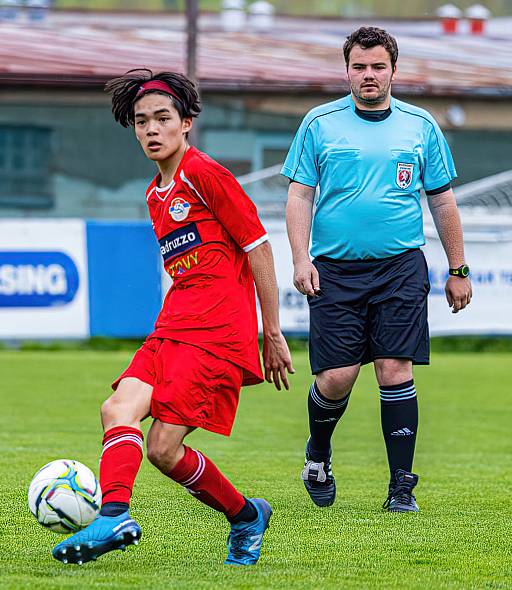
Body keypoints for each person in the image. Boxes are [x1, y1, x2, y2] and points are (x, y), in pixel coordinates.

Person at [52, 69, 294, 567]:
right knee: (120, 413)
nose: (151, 130)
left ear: (187, 123)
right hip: (173, 325)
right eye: (142, 122)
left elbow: (259, 249)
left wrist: (270, 333)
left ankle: (237, 516)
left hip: (216, 333)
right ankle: (123, 515)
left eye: (163, 119)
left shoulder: (205, 174)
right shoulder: (155, 192)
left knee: (163, 447)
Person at [282, 26, 472, 513]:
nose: (368, 75)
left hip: (401, 267)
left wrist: (459, 268)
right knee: (337, 378)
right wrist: (301, 258)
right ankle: (319, 453)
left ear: (393, 70)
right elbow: (300, 194)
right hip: (335, 271)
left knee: (394, 369)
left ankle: (401, 488)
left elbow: (443, 200)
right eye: (359, 67)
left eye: (378, 67)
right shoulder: (319, 123)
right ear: (346, 70)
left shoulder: (420, 125)